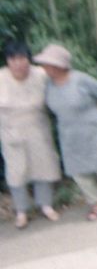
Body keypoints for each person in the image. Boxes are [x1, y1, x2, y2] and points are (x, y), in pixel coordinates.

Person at [32, 44, 97, 222]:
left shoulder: (81, 80)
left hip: (93, 128)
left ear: (58, 65)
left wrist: (95, 114)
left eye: (47, 64)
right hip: (69, 133)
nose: (44, 68)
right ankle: (95, 203)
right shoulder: (48, 86)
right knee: (80, 172)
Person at [0, 41, 61, 229]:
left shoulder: (41, 75)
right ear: (8, 61)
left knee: (43, 166)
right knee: (17, 172)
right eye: (13, 59)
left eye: (22, 58)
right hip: (11, 130)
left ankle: (46, 205)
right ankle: (21, 211)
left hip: (37, 127)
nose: (18, 63)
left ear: (28, 59)